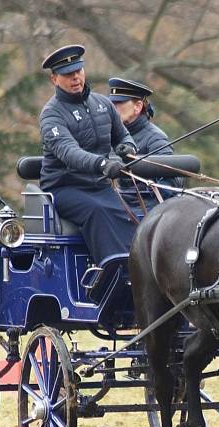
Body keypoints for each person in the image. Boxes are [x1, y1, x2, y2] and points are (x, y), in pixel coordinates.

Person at [39, 44, 139, 265]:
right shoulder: (51, 115)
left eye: (78, 71)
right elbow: (69, 153)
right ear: (54, 79)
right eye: (67, 74)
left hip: (100, 186)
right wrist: (103, 164)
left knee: (129, 214)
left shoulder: (103, 104)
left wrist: (128, 148)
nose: (75, 78)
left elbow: (123, 136)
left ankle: (138, 266)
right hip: (64, 189)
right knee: (99, 211)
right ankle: (112, 270)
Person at [107, 77, 182, 198]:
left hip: (145, 209)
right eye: (111, 103)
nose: (113, 108)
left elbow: (170, 183)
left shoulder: (156, 139)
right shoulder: (109, 134)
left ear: (137, 106)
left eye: (119, 103)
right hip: (115, 203)